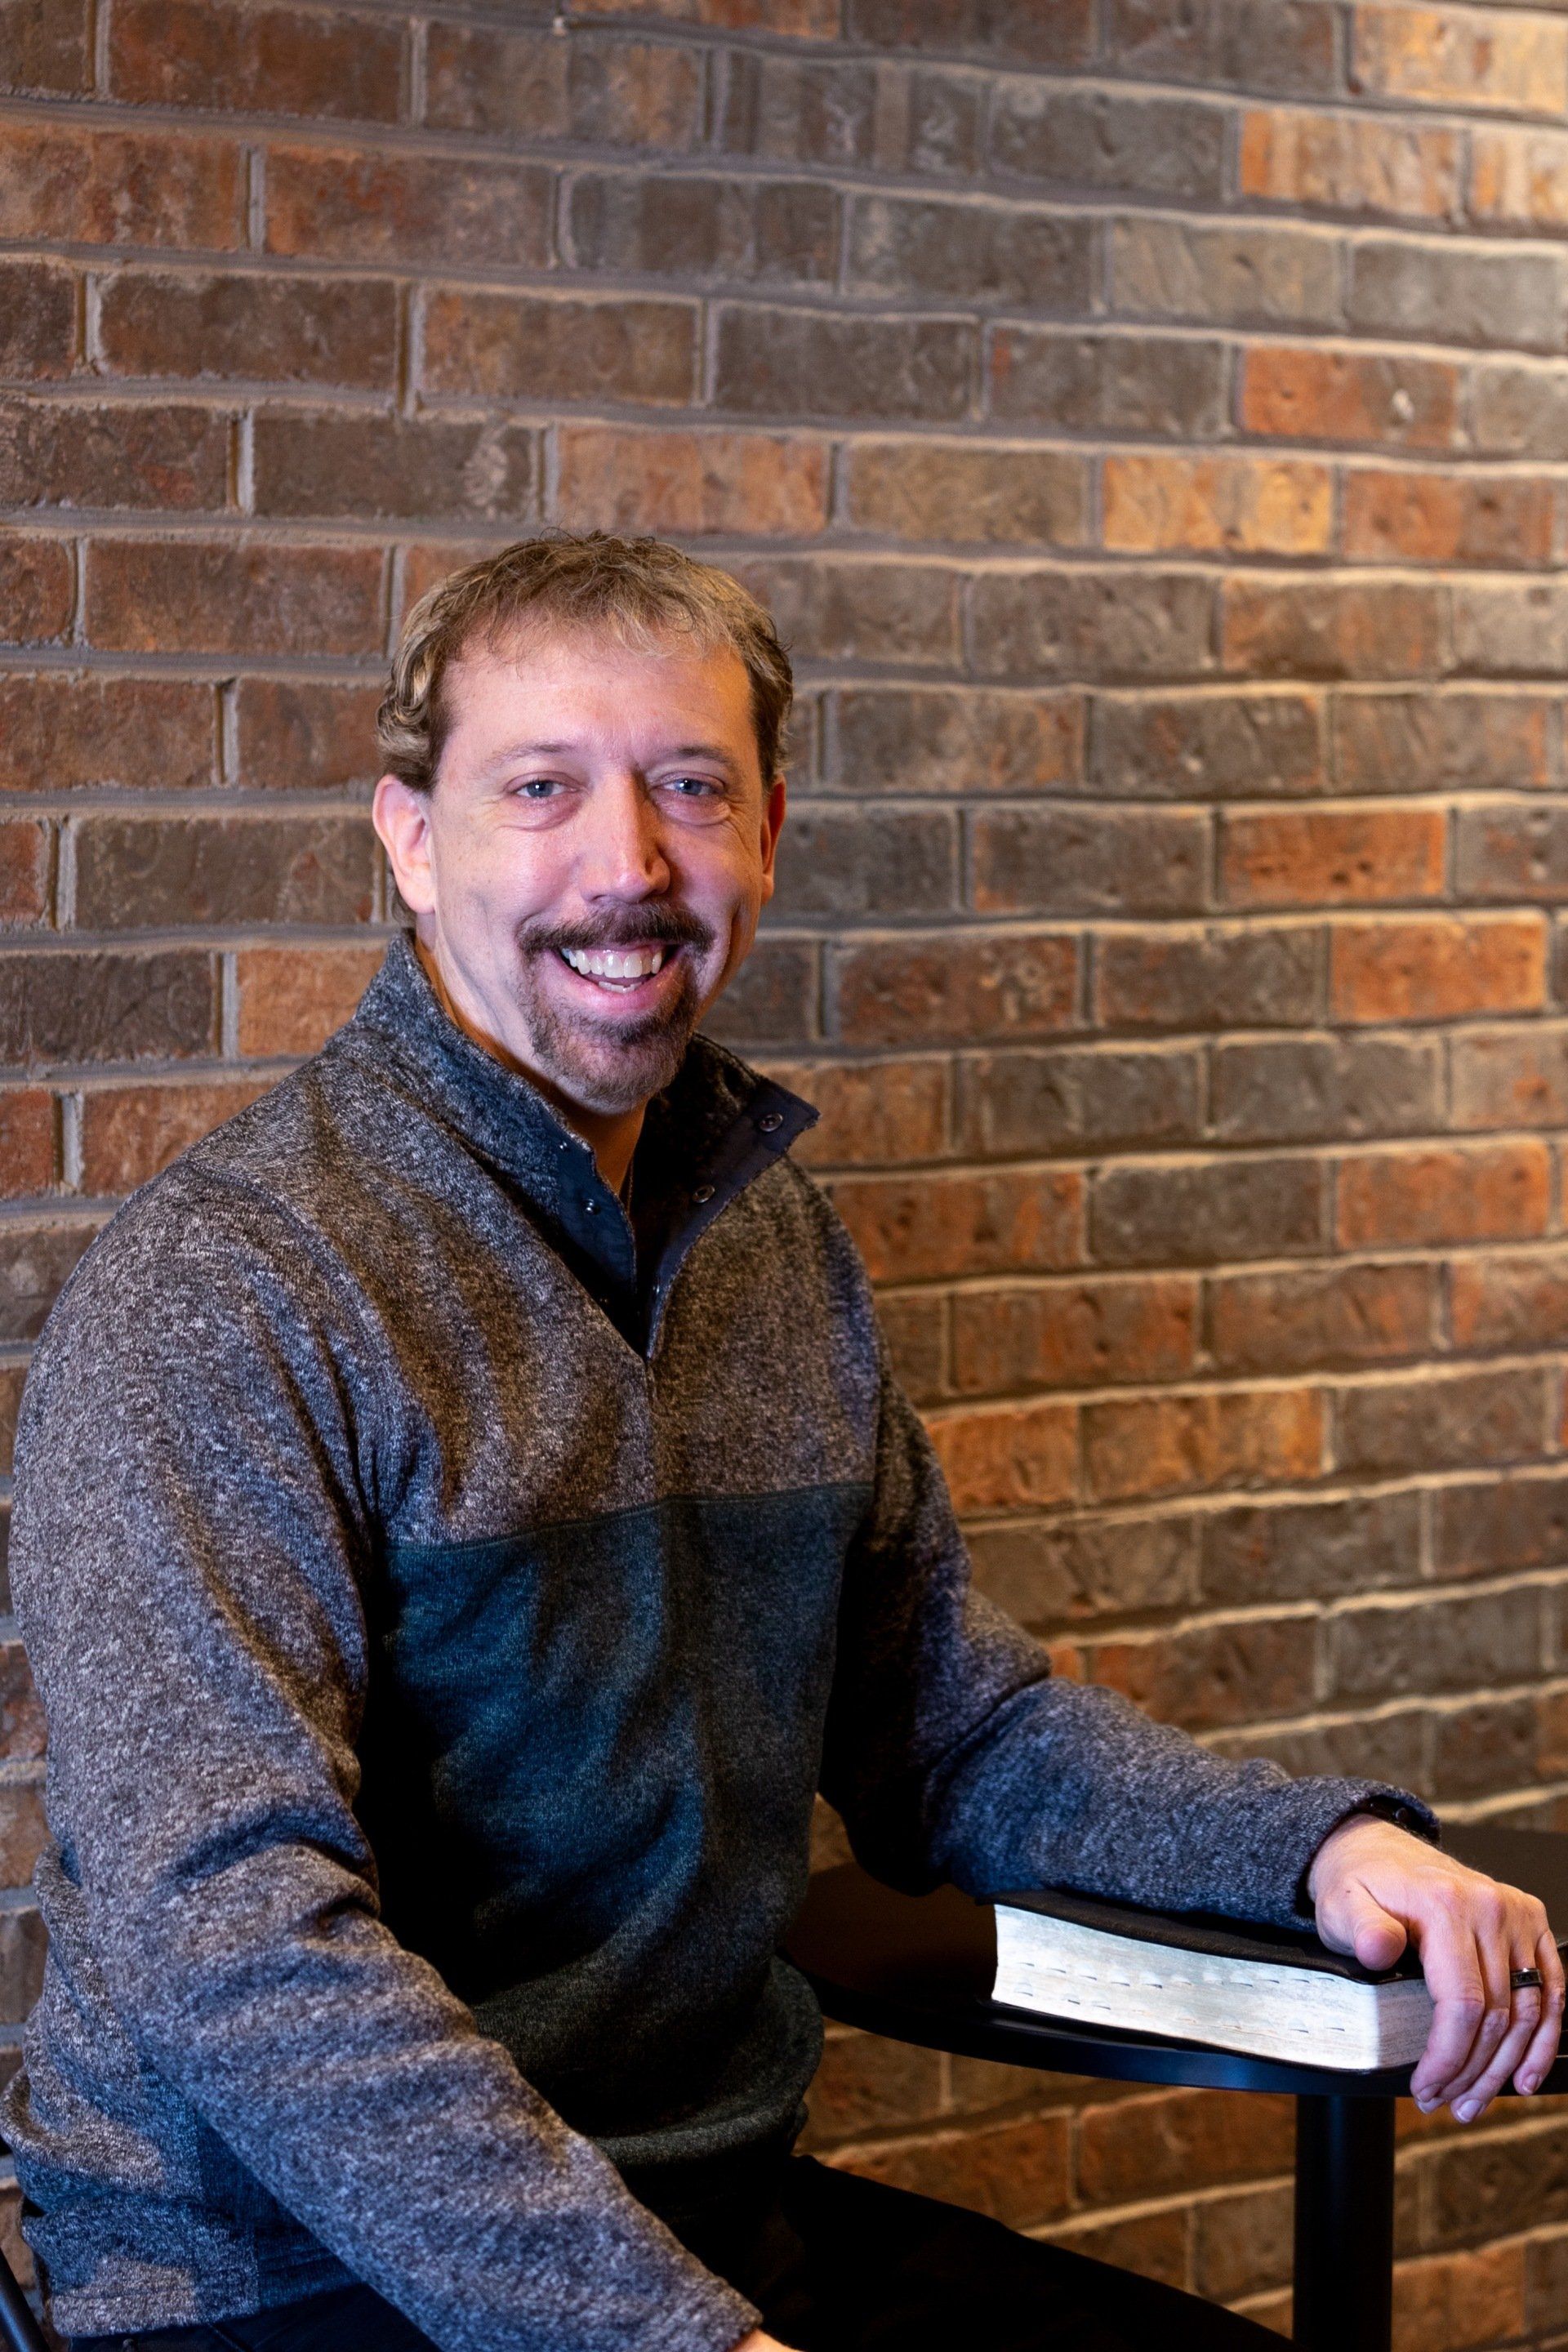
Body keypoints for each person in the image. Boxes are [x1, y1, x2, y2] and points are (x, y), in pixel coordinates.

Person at [3, 535, 1561, 2352]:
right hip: (275, 2281)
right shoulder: (229, 1290)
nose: (629, 866)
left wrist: (1316, 1855)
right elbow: (237, 1947)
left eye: (689, 789)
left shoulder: (762, 1239)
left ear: (768, 834)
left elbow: (951, 1731)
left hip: (706, 2220)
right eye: (541, 789)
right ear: (412, 840)